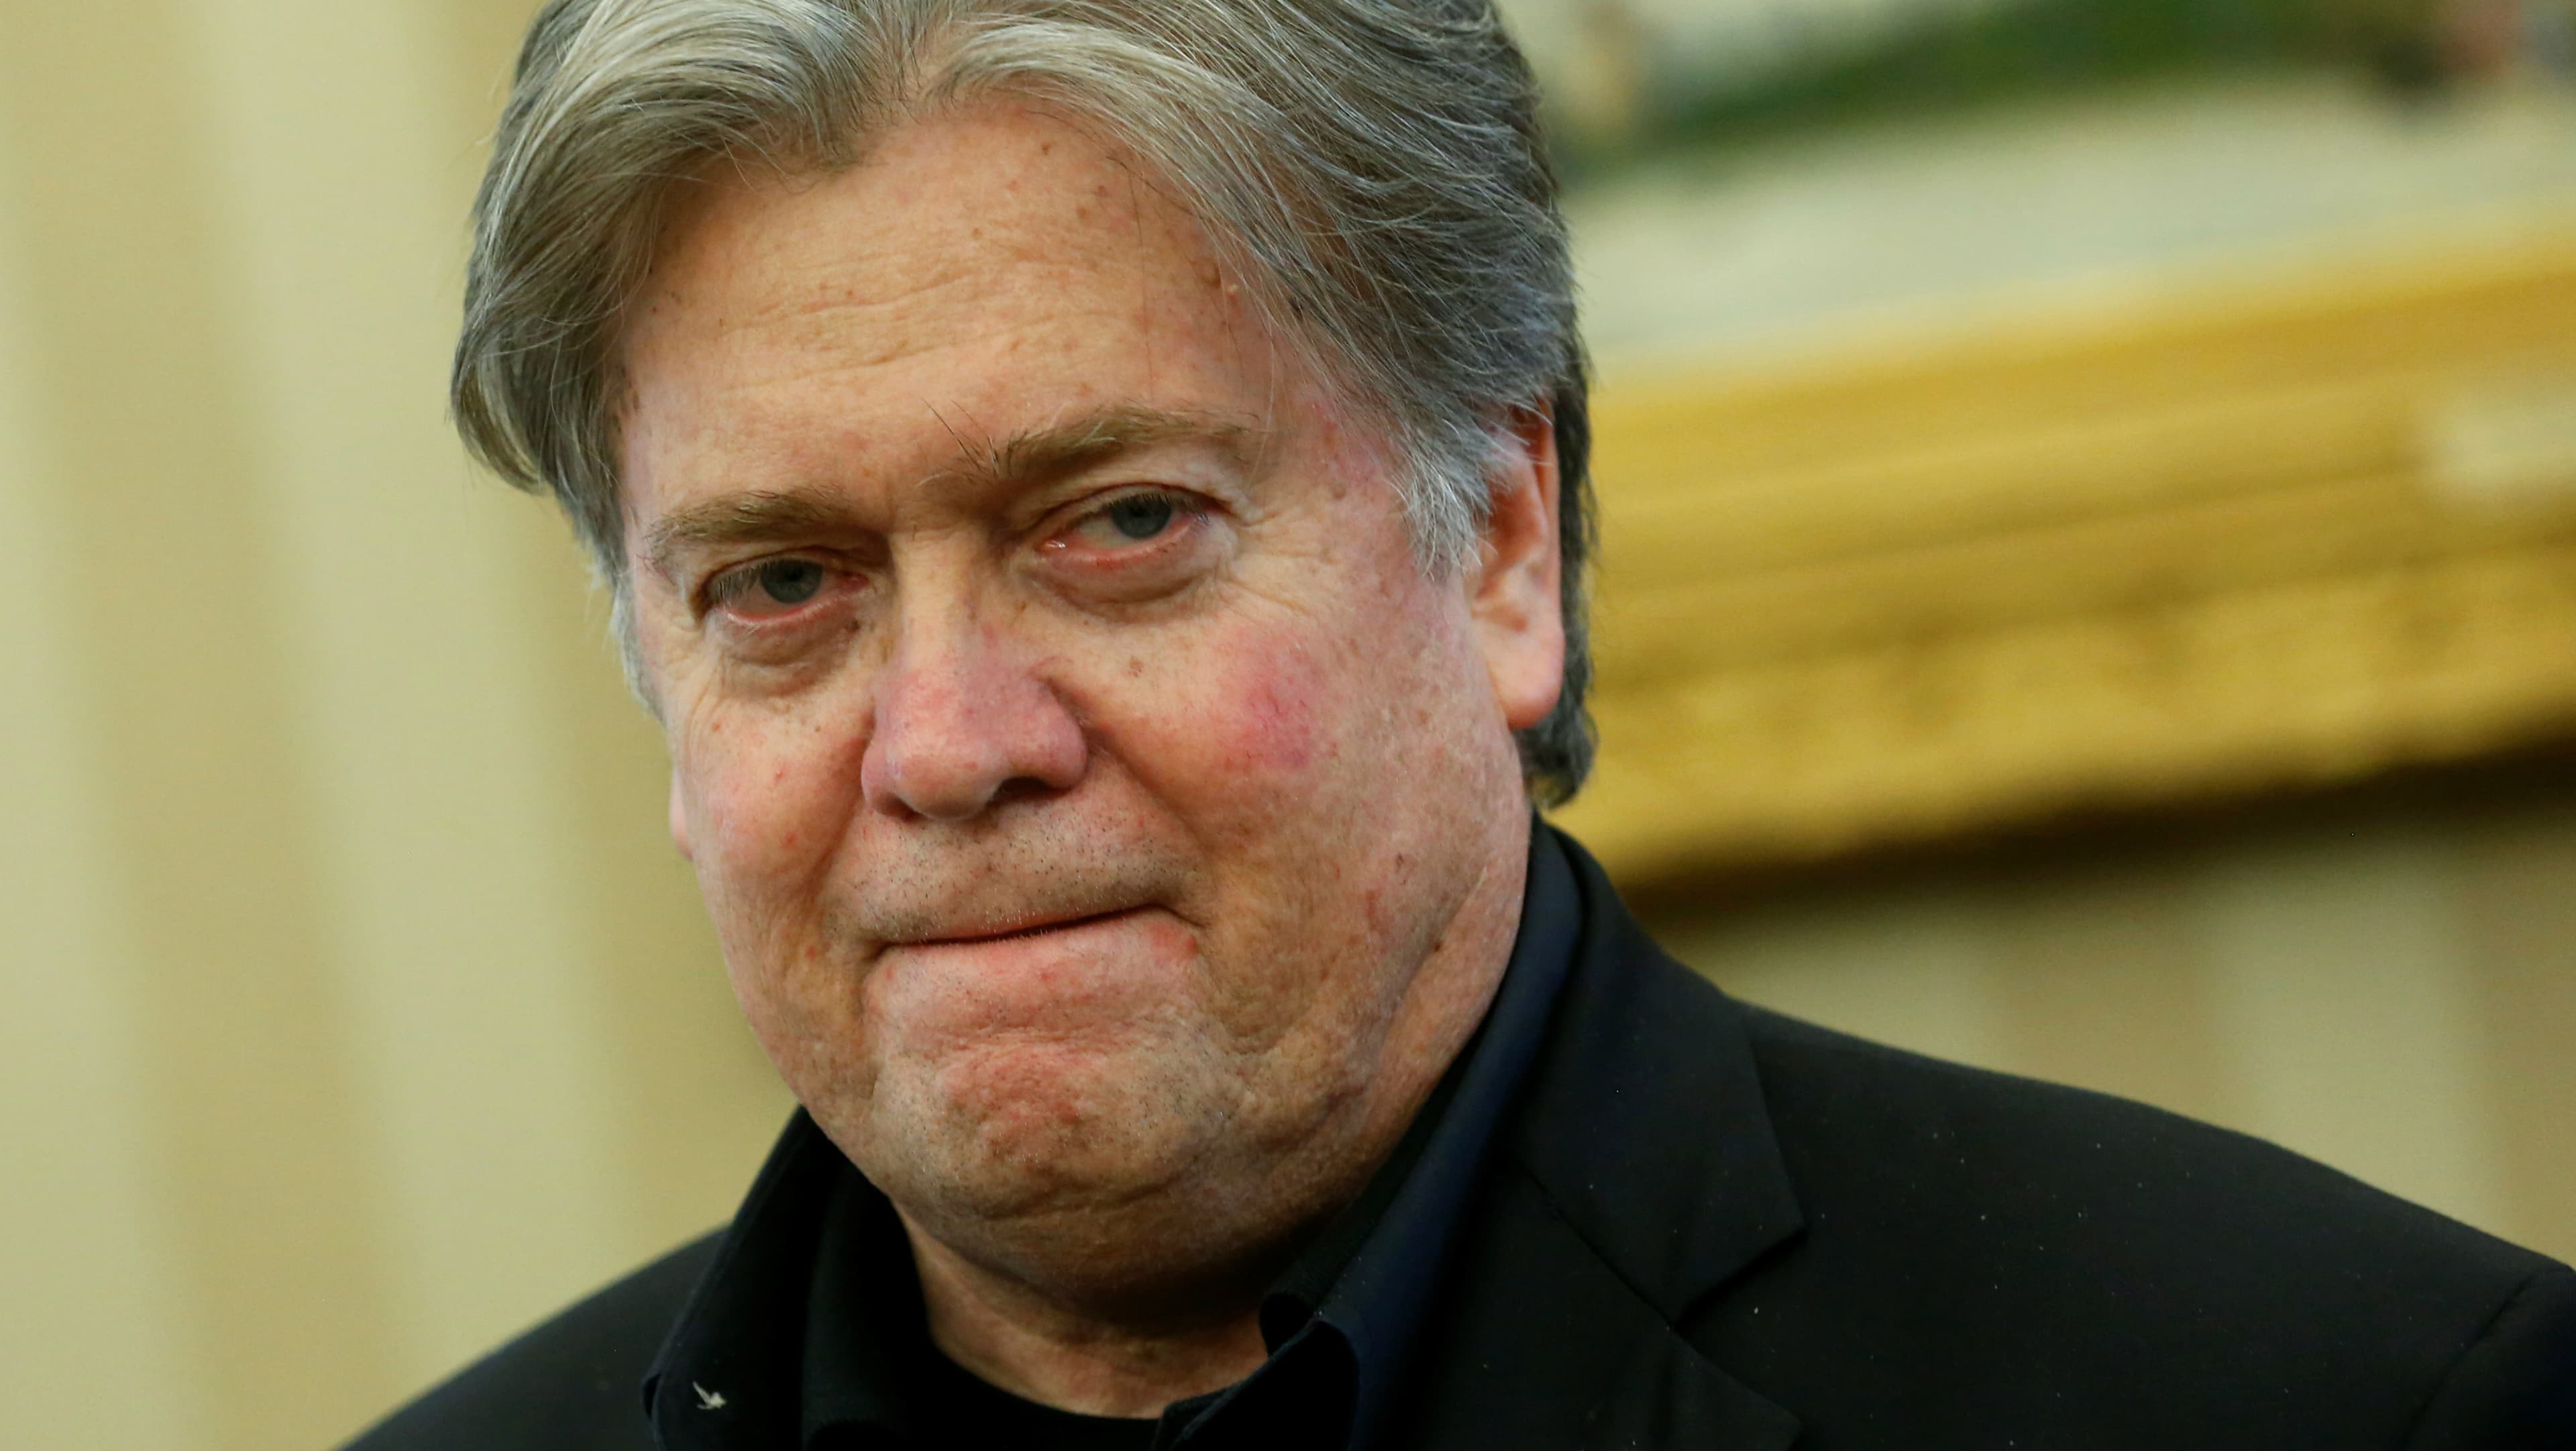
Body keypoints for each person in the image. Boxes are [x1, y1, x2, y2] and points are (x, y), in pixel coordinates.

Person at [345, 1, 2576, 1447]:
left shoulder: (2334, 1412)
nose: (946, 740)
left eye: (1118, 523)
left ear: (1504, 544)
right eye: (782, 587)